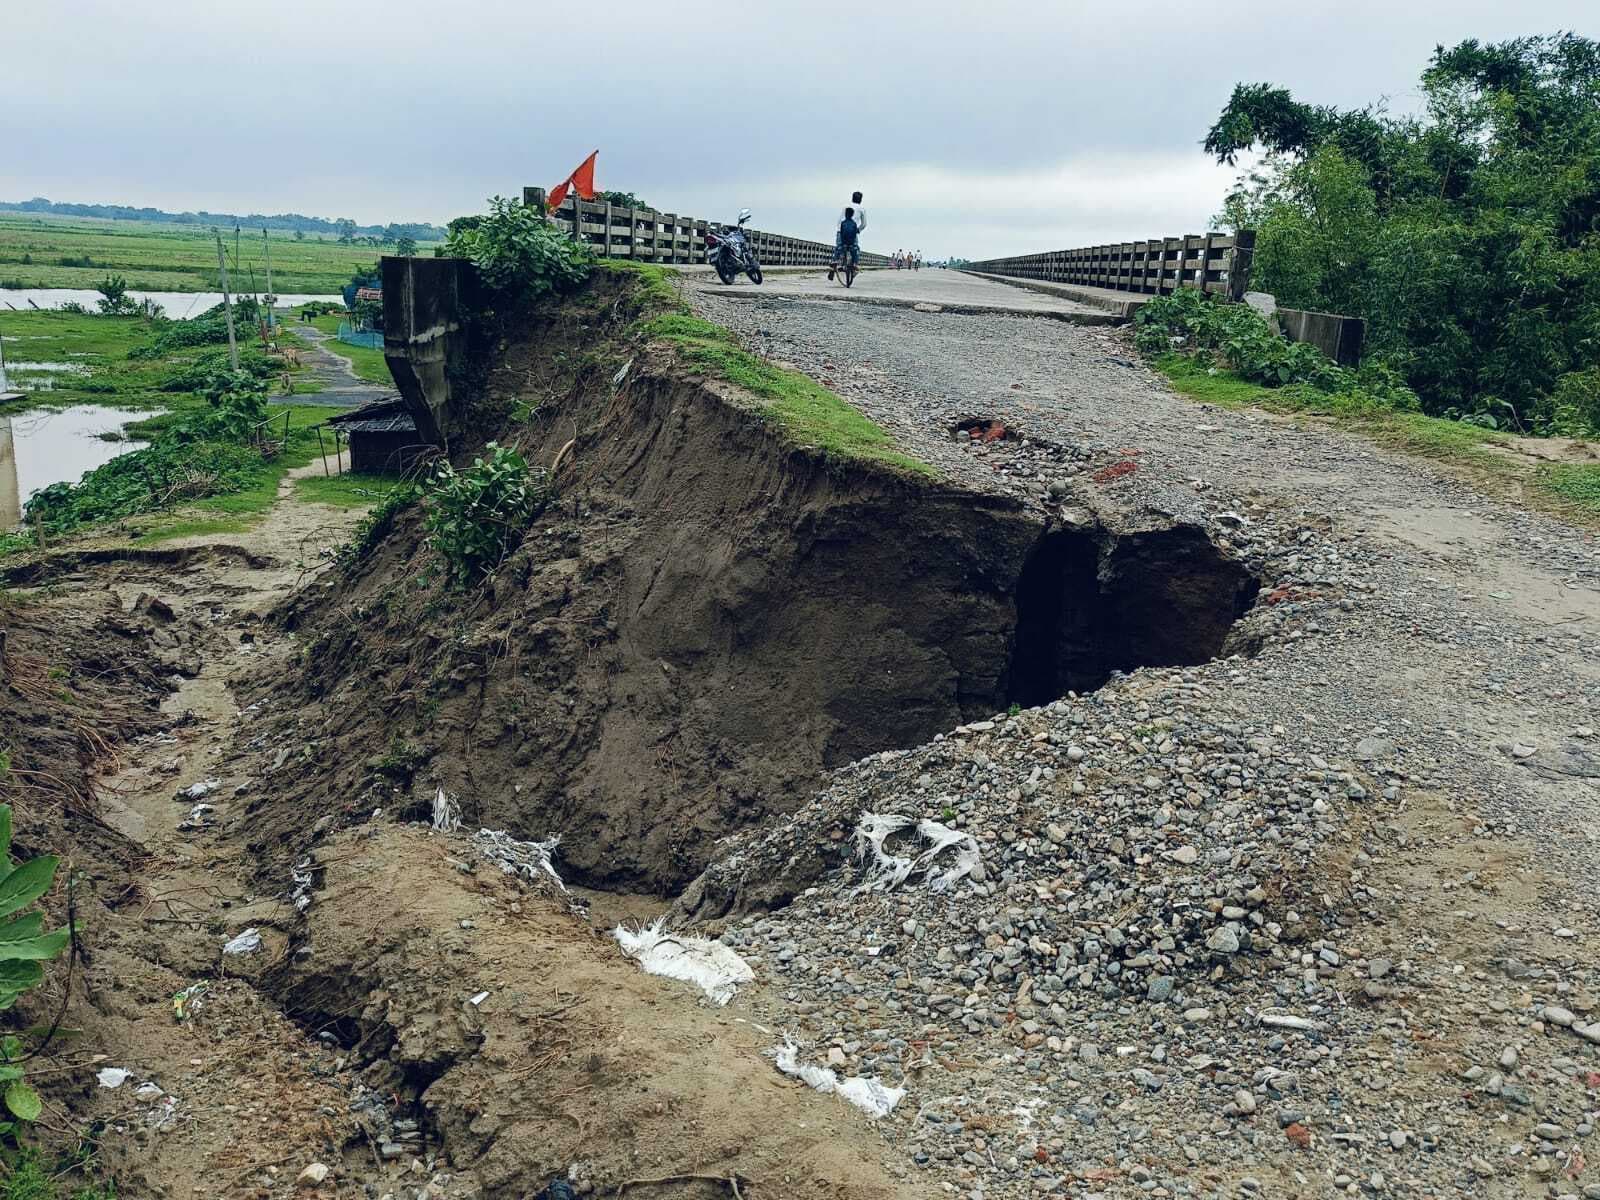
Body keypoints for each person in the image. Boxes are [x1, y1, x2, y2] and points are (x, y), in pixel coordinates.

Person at [829, 191, 866, 279]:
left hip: (841, 230)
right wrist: (858, 230)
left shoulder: (845, 207)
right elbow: (864, 224)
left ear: (852, 198)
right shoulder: (861, 209)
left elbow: (840, 220)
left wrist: (839, 229)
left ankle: (834, 263)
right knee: (855, 248)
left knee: (839, 247)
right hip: (852, 232)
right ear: (860, 200)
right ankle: (854, 265)